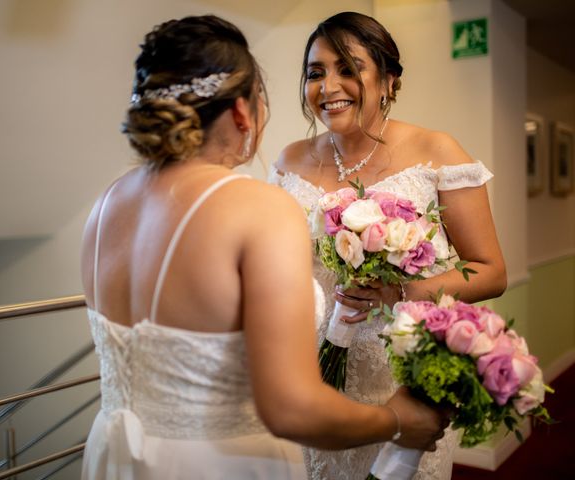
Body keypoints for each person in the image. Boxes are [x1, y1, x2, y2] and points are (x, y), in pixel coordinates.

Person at [80, 14, 448, 480]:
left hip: (115, 458)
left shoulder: (107, 204)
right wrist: (399, 421)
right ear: (241, 112)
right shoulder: (259, 207)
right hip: (219, 463)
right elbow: (290, 411)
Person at [270, 11, 507, 480]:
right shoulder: (290, 160)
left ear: (389, 79)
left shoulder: (437, 151)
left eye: (348, 68)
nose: (328, 86)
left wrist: (399, 293)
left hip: (401, 374)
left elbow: (490, 271)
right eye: (315, 73)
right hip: (312, 370)